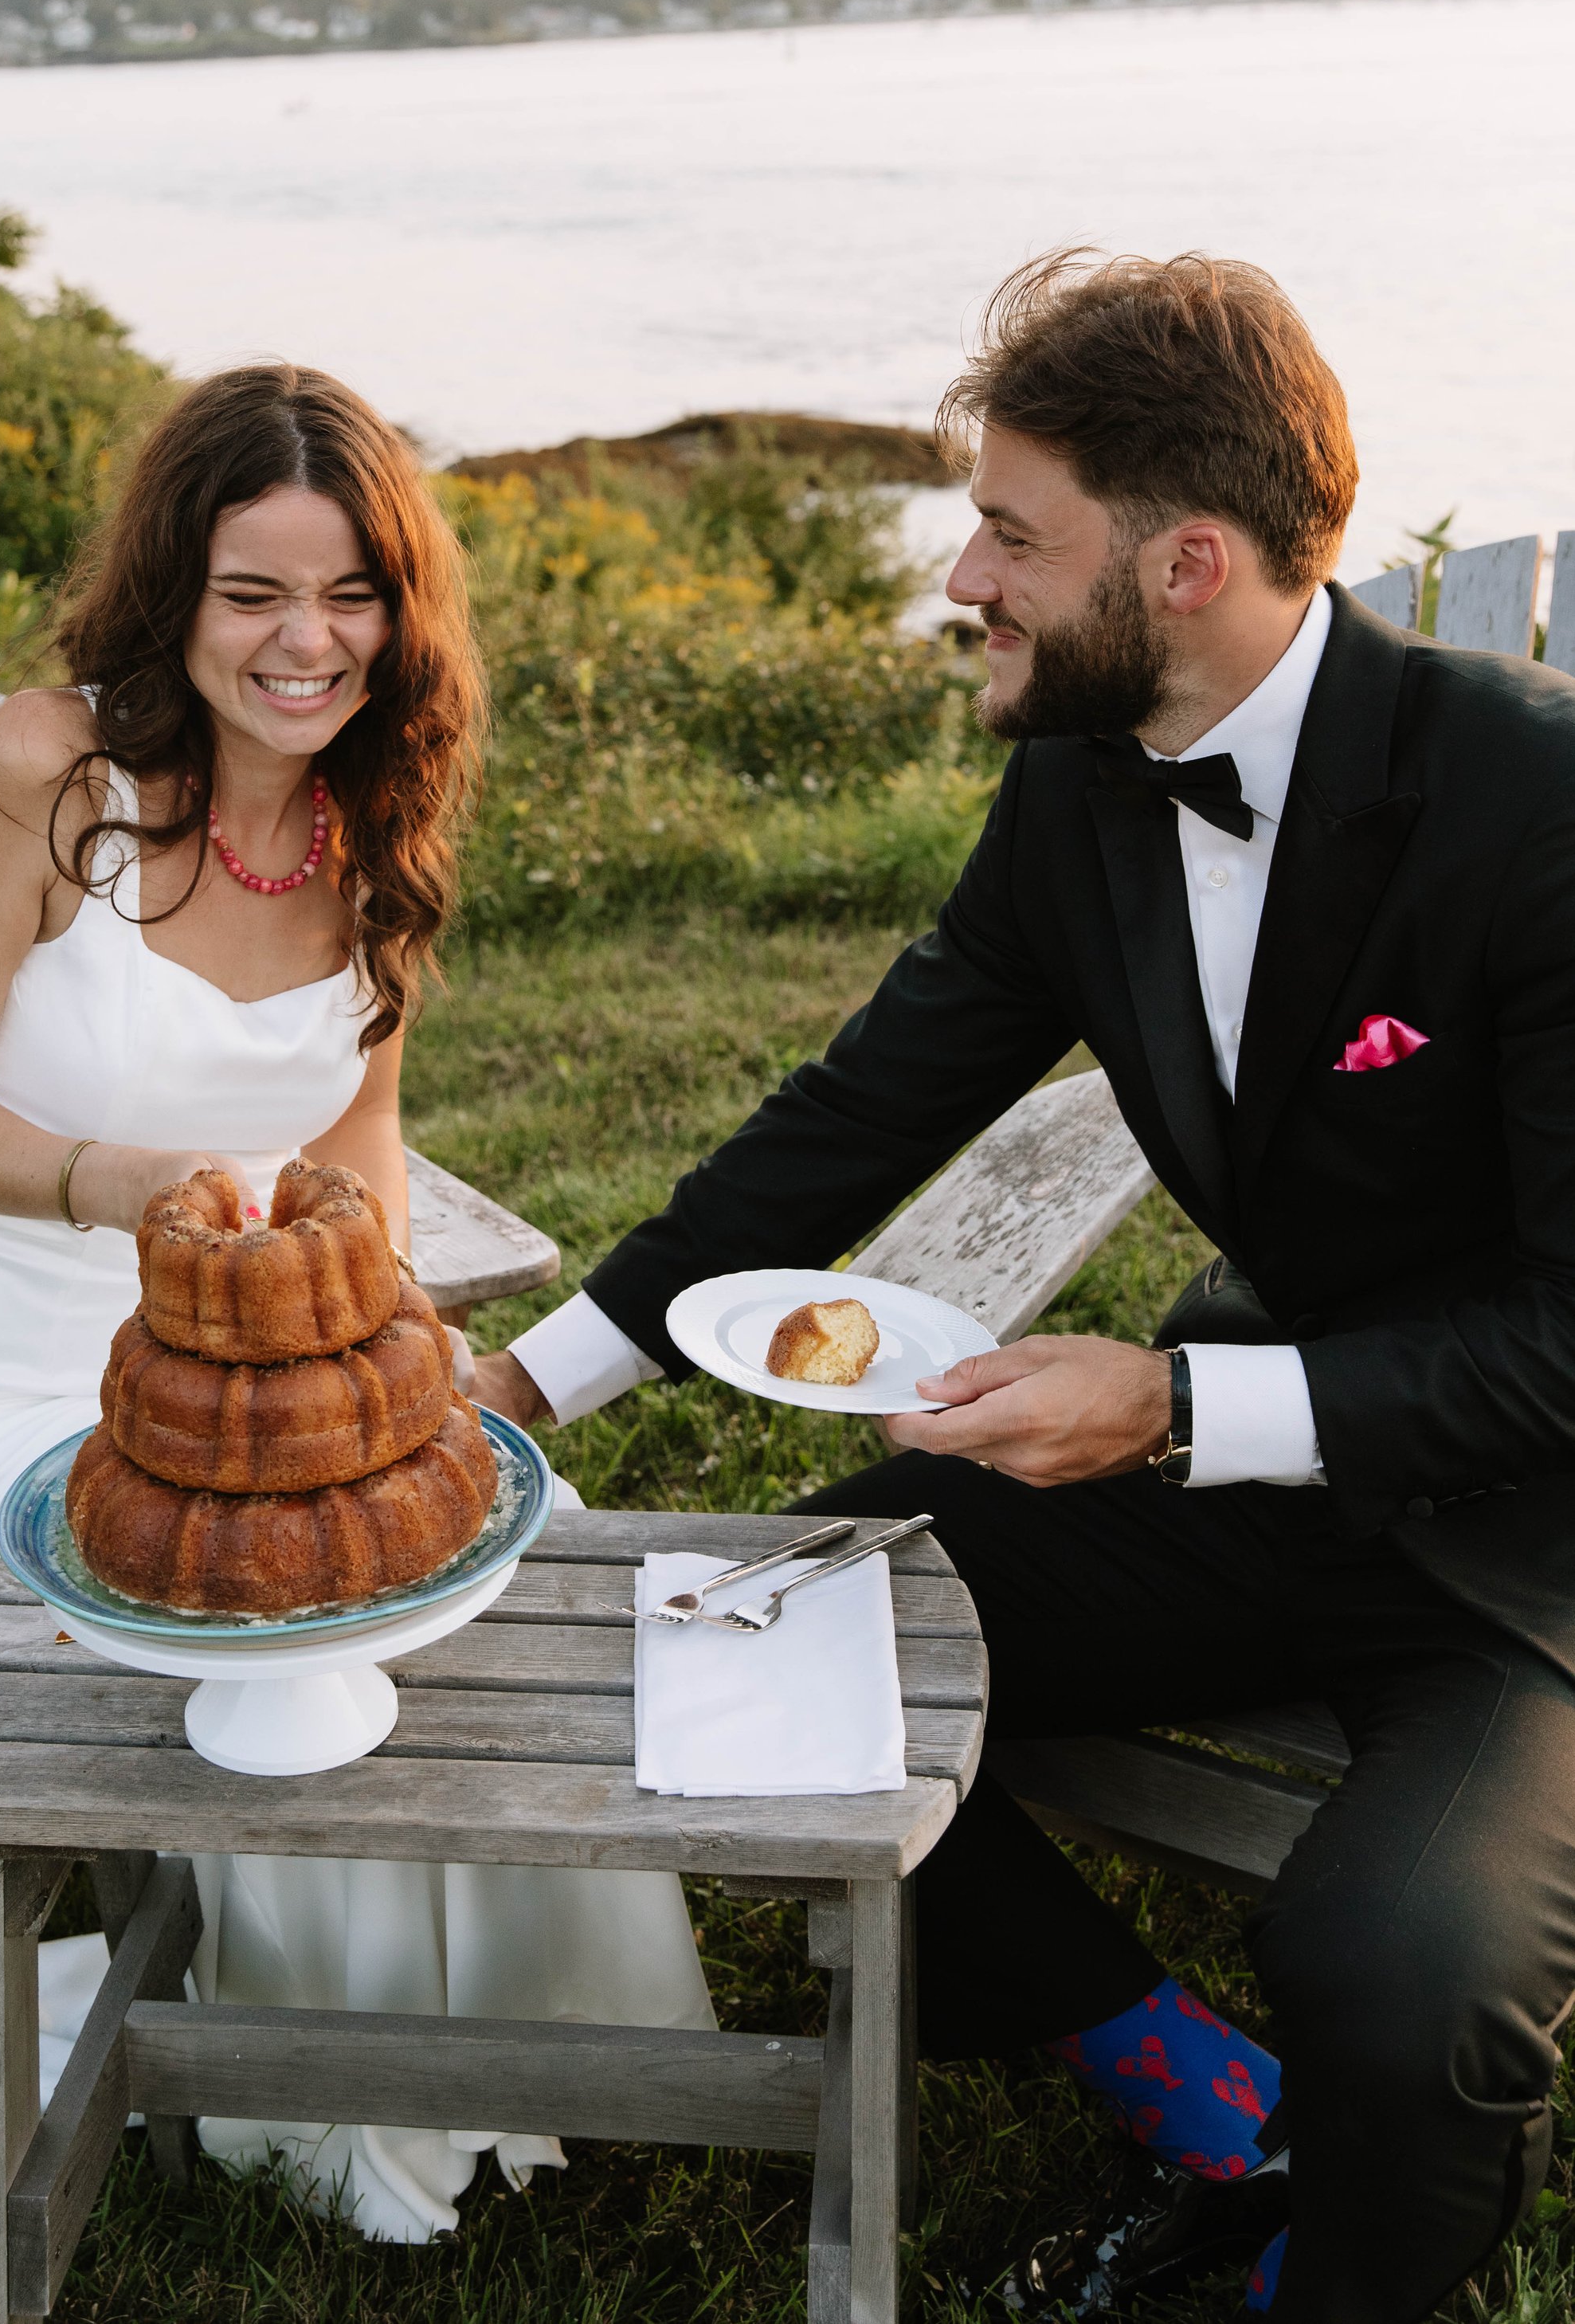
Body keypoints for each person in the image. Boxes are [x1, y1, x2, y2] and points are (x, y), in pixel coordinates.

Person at [474, 253, 1575, 2324]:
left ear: (1182, 562)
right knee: (756, 1658)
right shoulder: (1077, 793)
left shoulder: (1535, 809)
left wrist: (1164, 1408)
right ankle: (1204, 2102)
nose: (961, 575)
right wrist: (510, 1397)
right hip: (1256, 1480)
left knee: (1393, 1959)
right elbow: (850, 1112)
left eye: (1006, 528)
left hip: (1529, 1554)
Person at [0, 362, 711, 2244]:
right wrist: (118, 1185)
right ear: (176, 593)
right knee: (295, 1603)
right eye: (253, 593)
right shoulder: (46, 775)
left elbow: (366, 1143)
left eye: (349, 595)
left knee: (456, 1547)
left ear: (399, 616)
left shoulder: (367, 830)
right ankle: (327, 2094)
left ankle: (535, 2051)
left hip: (249, 1382)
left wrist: (393, 1363)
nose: (304, 642)